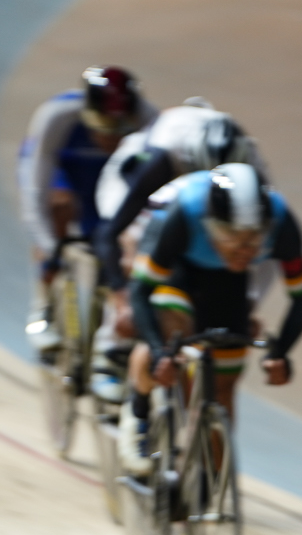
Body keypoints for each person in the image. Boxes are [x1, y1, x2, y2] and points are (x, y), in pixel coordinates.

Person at [119, 163, 302, 472]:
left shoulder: (281, 223)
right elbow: (141, 292)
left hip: (226, 280)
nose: (242, 248)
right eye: (230, 235)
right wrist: (158, 352)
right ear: (210, 223)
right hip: (178, 267)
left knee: (222, 387)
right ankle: (139, 412)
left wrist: (282, 351)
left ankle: (207, 486)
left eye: (253, 238)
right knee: (169, 335)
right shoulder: (183, 215)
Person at [89, 102, 263, 402]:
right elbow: (111, 234)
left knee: (237, 239)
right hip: (139, 168)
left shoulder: (252, 175)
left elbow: (264, 249)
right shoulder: (162, 162)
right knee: (134, 251)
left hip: (208, 182)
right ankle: (109, 351)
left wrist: (249, 304)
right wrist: (122, 300)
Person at [17, 66, 155, 356]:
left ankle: (112, 337)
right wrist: (50, 246)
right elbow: (35, 191)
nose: (108, 139)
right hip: (65, 173)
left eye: (118, 130)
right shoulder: (57, 116)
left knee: (122, 241)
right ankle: (44, 306)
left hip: (111, 178)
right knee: (58, 207)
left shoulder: (149, 120)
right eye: (100, 127)